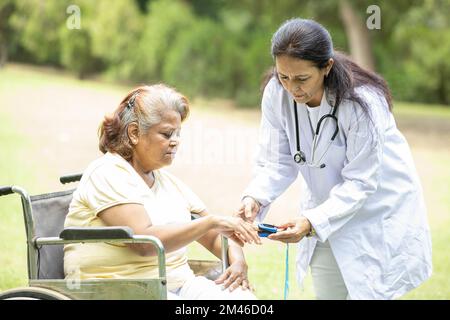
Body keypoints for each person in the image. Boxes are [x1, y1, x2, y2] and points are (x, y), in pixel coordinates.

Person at [235, 18, 432, 300]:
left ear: (326, 66)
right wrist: (254, 197)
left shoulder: (363, 102)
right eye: (284, 76)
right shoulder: (276, 94)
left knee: (371, 291)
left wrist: (311, 222)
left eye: (302, 78)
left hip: (377, 210)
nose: (292, 88)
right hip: (324, 211)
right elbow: (277, 161)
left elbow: (361, 182)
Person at [64, 84, 259, 300]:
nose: (175, 141)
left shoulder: (168, 182)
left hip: (177, 284)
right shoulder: (107, 172)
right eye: (167, 133)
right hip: (121, 288)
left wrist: (238, 261)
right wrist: (211, 222)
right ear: (135, 133)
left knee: (243, 301)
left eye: (177, 133)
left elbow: (217, 238)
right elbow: (145, 243)